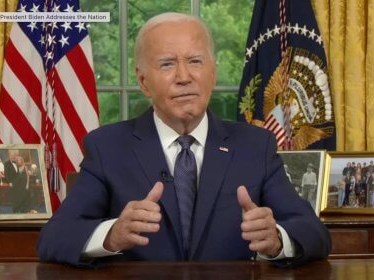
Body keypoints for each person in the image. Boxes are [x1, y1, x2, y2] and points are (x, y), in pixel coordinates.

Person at [37, 12, 330, 268]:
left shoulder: (256, 146)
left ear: (212, 73)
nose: (184, 76)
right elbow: (54, 239)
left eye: (194, 61)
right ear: (143, 82)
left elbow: (314, 234)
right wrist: (112, 235)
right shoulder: (107, 147)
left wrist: (277, 240)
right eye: (166, 64)